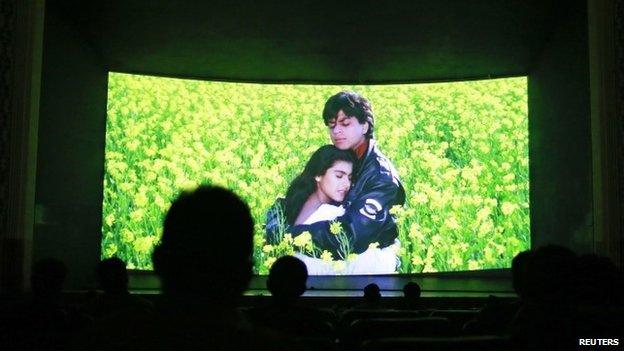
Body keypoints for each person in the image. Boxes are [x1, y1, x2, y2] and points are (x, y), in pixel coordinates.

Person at [268, 91, 405, 274]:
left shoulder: (381, 176)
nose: (336, 131)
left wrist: (290, 237)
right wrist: (277, 231)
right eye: (331, 125)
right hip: (339, 253)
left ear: (365, 126)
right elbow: (293, 199)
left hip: (369, 259)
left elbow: (352, 235)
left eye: (345, 124)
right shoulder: (340, 157)